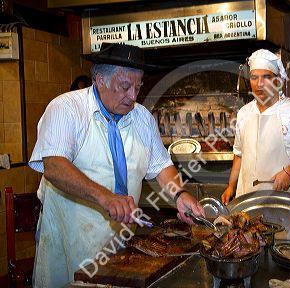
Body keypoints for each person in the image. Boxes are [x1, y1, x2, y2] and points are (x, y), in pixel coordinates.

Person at [29, 42, 204, 287]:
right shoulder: (67, 109)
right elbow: (54, 166)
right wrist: (106, 197)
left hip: (121, 245)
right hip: (71, 240)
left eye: (138, 87)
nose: (133, 96)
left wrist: (180, 194)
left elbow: (160, 165)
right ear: (100, 80)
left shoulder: (142, 117)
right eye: (125, 86)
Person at [221, 49, 290, 204]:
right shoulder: (243, 113)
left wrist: (289, 172)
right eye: (254, 77)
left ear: (277, 80)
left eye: (266, 77)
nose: (259, 84)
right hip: (246, 201)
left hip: (282, 201)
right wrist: (231, 186)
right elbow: (239, 154)